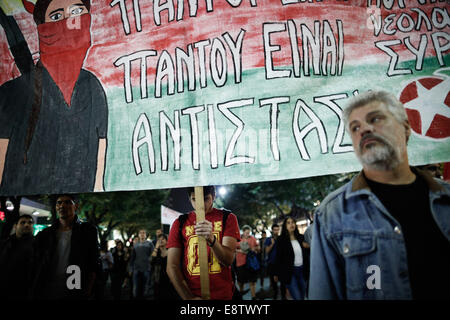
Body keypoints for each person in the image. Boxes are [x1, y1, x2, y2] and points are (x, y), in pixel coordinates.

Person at [309, 90, 450, 300]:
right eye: (355, 127)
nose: (364, 129)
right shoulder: (332, 215)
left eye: (375, 119)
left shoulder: (445, 198)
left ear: (406, 128)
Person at [0, 0, 108, 196]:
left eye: (77, 12)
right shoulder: (12, 93)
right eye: (57, 17)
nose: (69, 22)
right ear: (42, 28)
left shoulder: (93, 88)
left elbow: (99, 173)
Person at [167, 186, 240, 300]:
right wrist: (188, 298)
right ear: (189, 198)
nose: (200, 205)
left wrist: (212, 239)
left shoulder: (227, 218)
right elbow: (172, 266)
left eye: (206, 199)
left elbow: (228, 260)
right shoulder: (180, 222)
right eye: (195, 199)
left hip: (224, 294)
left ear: (214, 196)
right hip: (193, 293)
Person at [32, 194, 99, 299]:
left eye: (67, 202)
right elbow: (37, 259)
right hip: (48, 285)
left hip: (75, 284)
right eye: (59, 202)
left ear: (76, 206)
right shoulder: (46, 233)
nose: (62, 205)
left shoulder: (87, 231)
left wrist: (88, 288)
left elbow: (93, 261)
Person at [0, 214, 35, 299]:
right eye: (23, 222)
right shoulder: (5, 244)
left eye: (30, 223)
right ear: (15, 226)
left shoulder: (38, 246)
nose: (27, 225)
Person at [274, 217, 308, 300]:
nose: (291, 224)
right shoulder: (281, 240)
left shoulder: (301, 237)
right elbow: (278, 257)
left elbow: (306, 254)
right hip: (289, 272)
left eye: (292, 222)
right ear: (285, 226)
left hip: (302, 271)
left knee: (303, 296)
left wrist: (307, 247)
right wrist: (276, 273)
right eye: (288, 223)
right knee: (297, 297)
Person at [151, 234, 179, 300]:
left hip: (169, 279)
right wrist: (156, 248)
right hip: (158, 278)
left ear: (167, 241)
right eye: (159, 239)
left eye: (163, 239)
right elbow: (151, 261)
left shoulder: (171, 252)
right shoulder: (156, 252)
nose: (161, 240)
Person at [235, 225, 260, 300]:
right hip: (240, 262)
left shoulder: (252, 238)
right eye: (246, 233)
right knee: (240, 281)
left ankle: (253, 296)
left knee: (252, 280)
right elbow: (233, 248)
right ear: (243, 232)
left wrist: (254, 249)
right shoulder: (238, 239)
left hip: (250, 263)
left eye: (249, 233)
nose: (247, 234)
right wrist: (241, 251)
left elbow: (258, 248)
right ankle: (241, 294)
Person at [130, 228, 153, 299]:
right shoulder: (135, 244)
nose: (142, 234)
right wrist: (130, 269)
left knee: (145, 287)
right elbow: (132, 258)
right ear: (138, 235)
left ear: (146, 235)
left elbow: (153, 255)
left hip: (146, 267)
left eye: (144, 233)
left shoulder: (150, 244)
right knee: (136, 287)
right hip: (136, 268)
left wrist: (150, 260)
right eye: (141, 233)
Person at [264, 223, 286, 300]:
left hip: (281, 264)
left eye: (277, 229)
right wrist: (272, 244)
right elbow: (267, 251)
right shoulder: (268, 239)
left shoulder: (281, 238)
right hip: (272, 264)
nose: (276, 231)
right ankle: (275, 296)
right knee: (274, 283)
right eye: (275, 230)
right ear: (272, 230)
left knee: (283, 282)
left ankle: (283, 296)